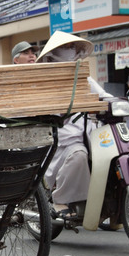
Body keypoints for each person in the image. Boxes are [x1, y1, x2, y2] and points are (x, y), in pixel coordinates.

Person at [37, 31, 97, 220]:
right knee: (79, 155)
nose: (71, 51)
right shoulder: (44, 80)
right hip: (60, 136)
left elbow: (104, 97)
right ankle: (60, 199)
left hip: (87, 132)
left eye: (73, 47)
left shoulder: (82, 77)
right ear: (54, 52)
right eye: (66, 47)